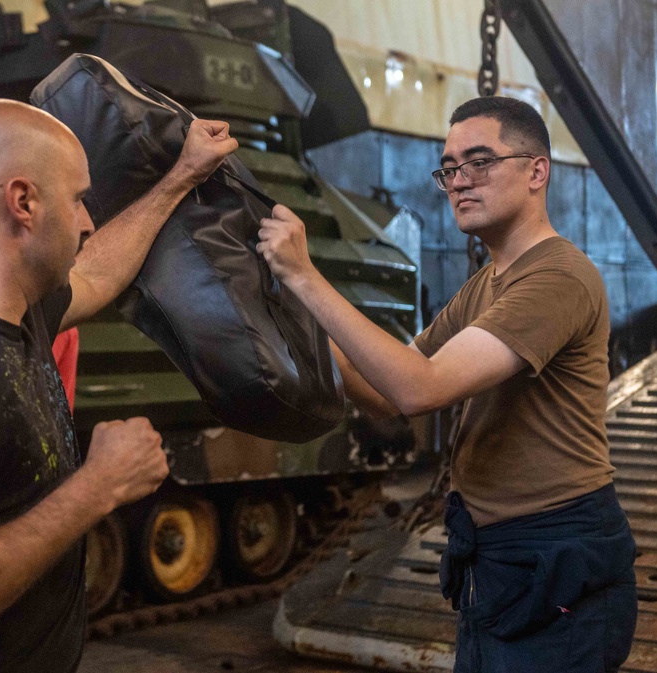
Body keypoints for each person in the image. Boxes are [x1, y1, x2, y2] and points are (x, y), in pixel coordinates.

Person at [0, 98, 238, 672]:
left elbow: (97, 270)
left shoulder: (17, 313)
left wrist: (182, 177)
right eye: (78, 199)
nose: (86, 221)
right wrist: (97, 486)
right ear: (23, 202)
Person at [257, 96, 637, 672]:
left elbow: (420, 388)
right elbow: (386, 396)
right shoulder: (485, 286)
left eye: (480, 161)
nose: (459, 180)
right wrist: (293, 317)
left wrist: (306, 278)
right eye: (450, 167)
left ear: (538, 170)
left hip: (556, 551)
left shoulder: (560, 276)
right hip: (497, 559)